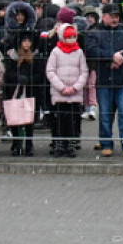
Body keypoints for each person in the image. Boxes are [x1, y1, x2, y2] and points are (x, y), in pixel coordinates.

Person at [85, 3, 123, 158]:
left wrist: (122, 57)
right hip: (104, 79)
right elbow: (91, 50)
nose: (115, 19)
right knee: (105, 114)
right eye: (112, 16)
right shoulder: (95, 32)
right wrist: (111, 56)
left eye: (117, 16)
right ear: (104, 17)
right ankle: (106, 143)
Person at [45, 23, 87, 157]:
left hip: (74, 92)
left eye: (74, 37)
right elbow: (50, 71)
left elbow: (84, 71)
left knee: (72, 119)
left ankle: (70, 144)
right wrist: (62, 87)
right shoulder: (56, 51)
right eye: (69, 37)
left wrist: (75, 87)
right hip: (60, 92)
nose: (72, 39)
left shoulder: (79, 52)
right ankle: (58, 143)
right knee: (58, 119)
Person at [3, 30, 46, 156]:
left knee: (29, 120)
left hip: (31, 90)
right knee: (15, 118)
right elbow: (7, 74)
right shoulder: (13, 57)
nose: (27, 44)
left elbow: (40, 74)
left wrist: (29, 80)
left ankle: (29, 144)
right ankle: (16, 143)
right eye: (24, 41)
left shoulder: (36, 57)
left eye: (28, 41)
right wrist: (18, 78)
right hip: (15, 90)